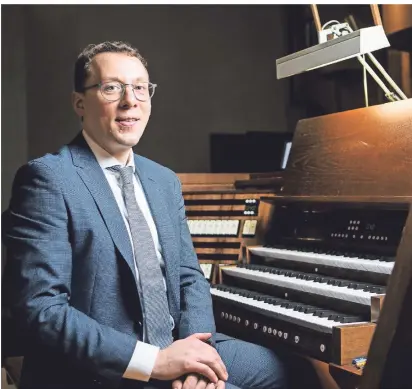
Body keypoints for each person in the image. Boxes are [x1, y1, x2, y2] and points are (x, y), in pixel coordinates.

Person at [2, 41, 286, 389]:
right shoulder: (48, 178)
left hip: (174, 344)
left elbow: (188, 276)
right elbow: (40, 310)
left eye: (140, 88)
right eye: (111, 88)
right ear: (79, 102)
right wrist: (155, 362)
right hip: (103, 366)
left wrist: (196, 348)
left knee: (281, 369)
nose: (130, 101)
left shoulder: (162, 180)